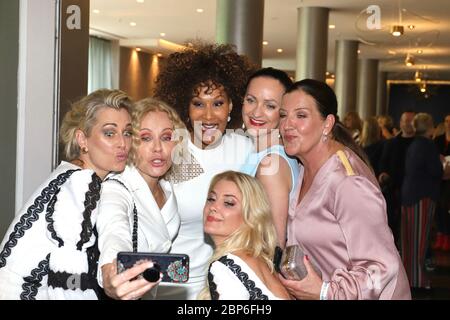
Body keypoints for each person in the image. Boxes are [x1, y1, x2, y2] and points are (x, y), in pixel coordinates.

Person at [0, 89, 144, 299]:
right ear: (82, 139)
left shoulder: (74, 174)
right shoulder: (80, 183)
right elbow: (66, 277)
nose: (123, 143)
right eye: (110, 133)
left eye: (127, 132)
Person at [278, 79, 411, 300]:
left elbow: (381, 268)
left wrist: (325, 292)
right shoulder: (304, 167)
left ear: (327, 124)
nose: (287, 125)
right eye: (283, 115)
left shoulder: (346, 182)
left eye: (301, 115)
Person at [154, 43, 255, 299]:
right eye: (198, 104)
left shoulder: (246, 150)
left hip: (227, 284)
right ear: (185, 107)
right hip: (172, 286)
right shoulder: (172, 150)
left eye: (218, 103)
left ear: (232, 104)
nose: (208, 116)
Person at [96, 98, 186, 299]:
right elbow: (114, 230)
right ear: (130, 143)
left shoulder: (167, 189)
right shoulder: (117, 186)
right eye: (145, 138)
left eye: (166, 137)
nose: (157, 148)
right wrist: (113, 272)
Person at [199, 171, 291, 300]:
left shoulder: (226, 268)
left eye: (229, 203)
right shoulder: (263, 261)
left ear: (251, 216)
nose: (213, 207)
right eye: (211, 199)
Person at [240, 67, 299, 248]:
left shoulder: (271, 165)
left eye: (270, 106)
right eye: (251, 100)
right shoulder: (256, 153)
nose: (256, 113)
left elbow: (273, 244)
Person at [401, 113, 443, 289]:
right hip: (421, 197)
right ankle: (416, 280)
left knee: (408, 242)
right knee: (419, 242)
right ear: (430, 127)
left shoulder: (415, 144)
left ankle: (409, 279)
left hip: (410, 194)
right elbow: (436, 171)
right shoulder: (427, 145)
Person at [378, 111, 416, 247]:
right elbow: (383, 163)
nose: (407, 123)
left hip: (413, 192)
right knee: (390, 224)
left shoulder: (419, 143)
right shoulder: (392, 143)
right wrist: (382, 174)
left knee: (410, 228)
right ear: (400, 123)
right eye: (405, 120)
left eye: (411, 121)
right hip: (392, 190)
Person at [433, 114, 450, 251]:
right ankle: (440, 234)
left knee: (445, 205)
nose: (448, 123)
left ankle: (446, 235)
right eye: (446, 121)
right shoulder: (438, 139)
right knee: (438, 205)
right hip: (439, 177)